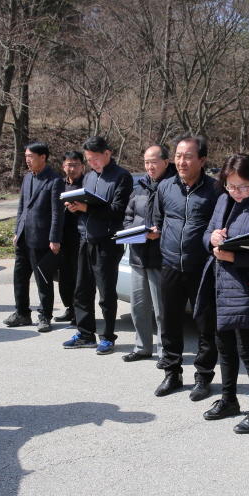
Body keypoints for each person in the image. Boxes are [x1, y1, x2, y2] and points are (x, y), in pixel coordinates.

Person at [197, 153, 249, 433]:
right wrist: (212, 238)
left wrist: (235, 257)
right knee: (224, 346)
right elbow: (206, 233)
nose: (237, 192)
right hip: (220, 284)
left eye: (243, 186)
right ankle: (229, 399)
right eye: (231, 186)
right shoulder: (223, 201)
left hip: (247, 288)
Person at [150, 132, 220, 401]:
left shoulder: (215, 190)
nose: (181, 162)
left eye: (188, 157)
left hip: (202, 268)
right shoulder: (165, 187)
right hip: (170, 265)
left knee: (206, 325)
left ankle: (203, 376)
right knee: (170, 323)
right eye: (178, 156)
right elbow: (158, 220)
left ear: (202, 160)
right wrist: (154, 232)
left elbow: (221, 227)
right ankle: (172, 373)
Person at [63, 136, 132, 354]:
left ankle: (108, 337)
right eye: (89, 160)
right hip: (85, 238)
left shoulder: (121, 176)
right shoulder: (89, 177)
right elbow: (86, 209)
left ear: (107, 153)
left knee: (106, 293)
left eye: (95, 158)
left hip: (107, 241)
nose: (92, 163)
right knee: (82, 290)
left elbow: (118, 210)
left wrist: (86, 209)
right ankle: (85, 334)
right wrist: (76, 208)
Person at [121, 144, 173, 363]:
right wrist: (131, 232)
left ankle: (165, 352)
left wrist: (159, 233)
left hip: (160, 258)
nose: (150, 167)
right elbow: (128, 216)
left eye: (154, 162)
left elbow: (176, 222)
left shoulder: (174, 186)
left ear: (165, 162)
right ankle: (142, 347)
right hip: (138, 255)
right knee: (138, 307)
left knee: (162, 311)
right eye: (146, 162)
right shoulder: (140, 187)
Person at [4, 141, 64, 332]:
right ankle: (22, 312)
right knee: (20, 277)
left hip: (42, 237)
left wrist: (54, 238)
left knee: (43, 279)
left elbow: (57, 213)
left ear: (43, 157)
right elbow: (22, 207)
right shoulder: (27, 178)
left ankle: (45, 316)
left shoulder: (54, 181)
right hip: (24, 236)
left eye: (31, 156)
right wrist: (17, 231)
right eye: (26, 156)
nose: (27, 160)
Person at [54, 151, 85, 327]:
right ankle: (69, 308)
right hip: (62, 237)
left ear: (82, 166)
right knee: (64, 276)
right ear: (63, 166)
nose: (72, 169)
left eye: (76, 165)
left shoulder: (87, 184)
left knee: (79, 277)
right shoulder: (59, 184)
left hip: (80, 237)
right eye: (69, 165)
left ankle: (80, 312)